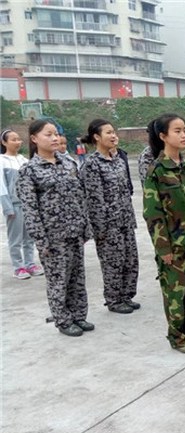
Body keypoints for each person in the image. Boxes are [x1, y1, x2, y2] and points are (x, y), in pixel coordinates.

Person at [17, 119, 94, 337]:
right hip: (53, 237)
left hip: (75, 231)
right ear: (34, 139)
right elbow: (30, 210)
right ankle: (63, 319)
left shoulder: (68, 163)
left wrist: (85, 226)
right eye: (48, 134)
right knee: (58, 280)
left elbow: (81, 197)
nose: (54, 138)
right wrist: (41, 241)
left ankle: (79, 316)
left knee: (77, 278)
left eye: (56, 134)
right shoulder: (29, 171)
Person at [143, 113, 185, 354]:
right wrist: (163, 249)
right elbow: (153, 213)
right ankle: (177, 336)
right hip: (174, 246)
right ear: (163, 136)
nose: (183, 135)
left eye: (184, 131)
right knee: (175, 294)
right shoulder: (157, 171)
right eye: (177, 131)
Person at [80, 119, 140, 314]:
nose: (114, 136)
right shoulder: (91, 164)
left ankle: (126, 296)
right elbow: (94, 200)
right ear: (96, 137)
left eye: (114, 132)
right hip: (108, 225)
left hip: (125, 220)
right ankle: (114, 300)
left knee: (130, 260)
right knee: (113, 262)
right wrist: (101, 229)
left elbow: (126, 191)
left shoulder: (118, 161)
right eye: (108, 133)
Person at [0, 129, 44, 280]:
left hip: (28, 205)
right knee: (15, 238)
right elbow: (1, 186)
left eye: (19, 139)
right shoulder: (2, 161)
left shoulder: (24, 160)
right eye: (13, 139)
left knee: (29, 237)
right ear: (4, 142)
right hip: (14, 205)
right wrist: (7, 207)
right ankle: (18, 267)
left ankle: (30, 263)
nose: (17, 142)